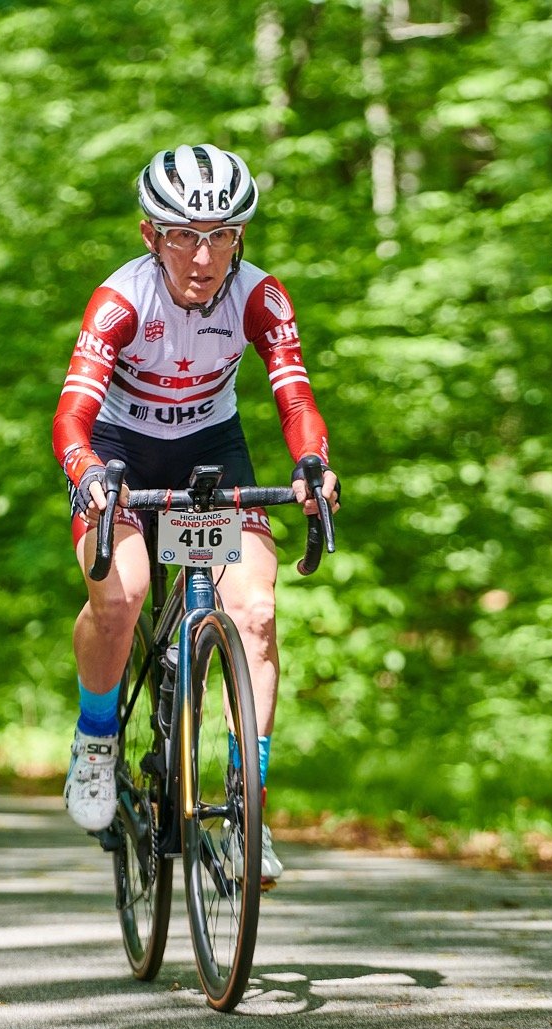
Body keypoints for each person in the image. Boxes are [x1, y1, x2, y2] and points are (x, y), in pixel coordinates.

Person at [52, 143, 341, 886]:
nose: (203, 255)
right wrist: (87, 477)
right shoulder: (121, 301)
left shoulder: (260, 296)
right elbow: (72, 418)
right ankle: (94, 739)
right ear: (151, 236)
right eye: (183, 234)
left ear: (240, 237)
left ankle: (250, 810)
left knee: (255, 612)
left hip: (212, 448)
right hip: (118, 451)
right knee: (123, 596)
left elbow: (296, 399)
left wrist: (312, 466)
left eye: (221, 235)